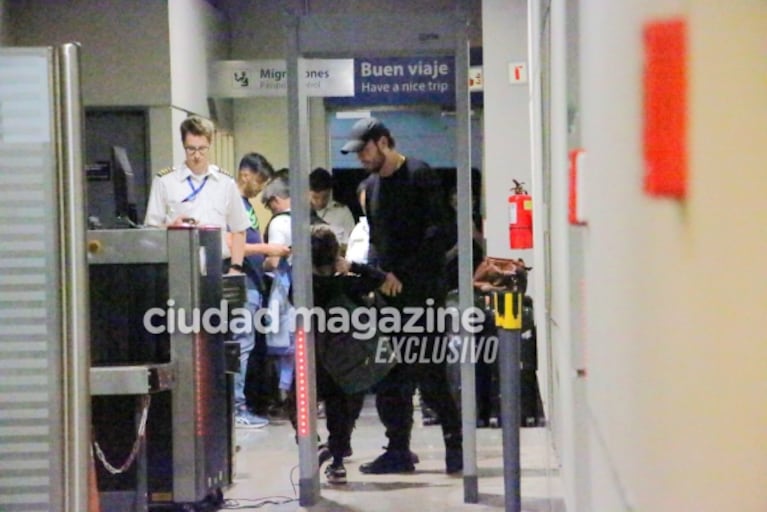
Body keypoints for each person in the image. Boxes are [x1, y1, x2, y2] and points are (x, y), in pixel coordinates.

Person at [340, 117, 463, 475]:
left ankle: (456, 446)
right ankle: (397, 449)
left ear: (382, 142)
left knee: (430, 372)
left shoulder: (420, 176)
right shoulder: (369, 188)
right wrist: (378, 278)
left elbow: (440, 234)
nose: (361, 158)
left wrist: (401, 275)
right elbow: (378, 242)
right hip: (388, 295)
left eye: (364, 150)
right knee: (390, 376)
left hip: (423, 293)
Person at [309, 224, 389, 484]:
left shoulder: (304, 286)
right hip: (344, 359)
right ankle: (337, 460)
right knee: (339, 409)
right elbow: (378, 278)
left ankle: (313, 445)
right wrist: (352, 266)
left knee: (297, 404)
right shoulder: (347, 285)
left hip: (312, 355)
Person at [144, 116, 250, 278]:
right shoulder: (165, 181)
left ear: (210, 145)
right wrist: (172, 228)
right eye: (191, 149)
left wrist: (235, 268)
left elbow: (239, 229)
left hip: (217, 267)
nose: (197, 156)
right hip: (178, 268)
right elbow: (150, 231)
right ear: (183, 146)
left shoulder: (225, 182)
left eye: (202, 149)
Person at [229, 152, 290, 428]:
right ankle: (237, 408)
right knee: (241, 346)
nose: (262, 188)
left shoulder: (248, 208)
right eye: (260, 181)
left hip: (252, 283)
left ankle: (242, 404)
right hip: (241, 284)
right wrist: (268, 248)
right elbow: (232, 244)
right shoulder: (231, 204)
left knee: (247, 345)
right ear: (246, 175)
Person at [260, 175, 295, 410]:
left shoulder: (279, 222)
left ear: (275, 200)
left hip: (285, 291)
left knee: (281, 347)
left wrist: (258, 261)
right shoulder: (305, 219)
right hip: (305, 290)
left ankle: (283, 395)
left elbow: (273, 262)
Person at [309, 167, 356, 247]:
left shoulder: (342, 212)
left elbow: (351, 243)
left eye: (325, 197)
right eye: (315, 197)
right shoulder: (299, 212)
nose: (320, 202)